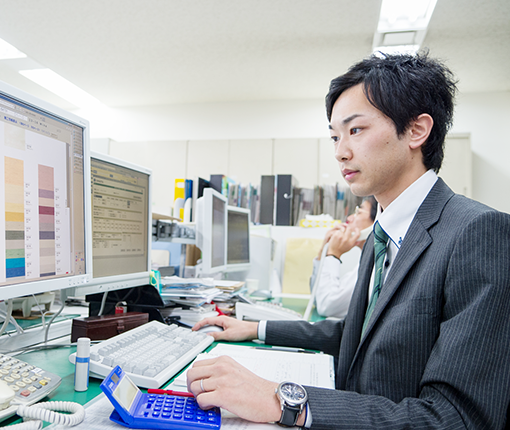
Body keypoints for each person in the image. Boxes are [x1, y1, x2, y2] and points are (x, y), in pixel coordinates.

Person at [188, 52, 510, 429]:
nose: (341, 151)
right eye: (335, 136)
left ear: (417, 130)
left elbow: (456, 418)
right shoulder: (382, 233)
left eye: (356, 130)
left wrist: (286, 403)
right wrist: (255, 328)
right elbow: (357, 335)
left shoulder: (478, 232)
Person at [310, 196, 377, 318]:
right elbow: (317, 298)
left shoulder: (374, 265)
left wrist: (333, 255)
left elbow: (326, 306)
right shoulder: (362, 262)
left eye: (358, 212)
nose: (350, 218)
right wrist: (323, 253)